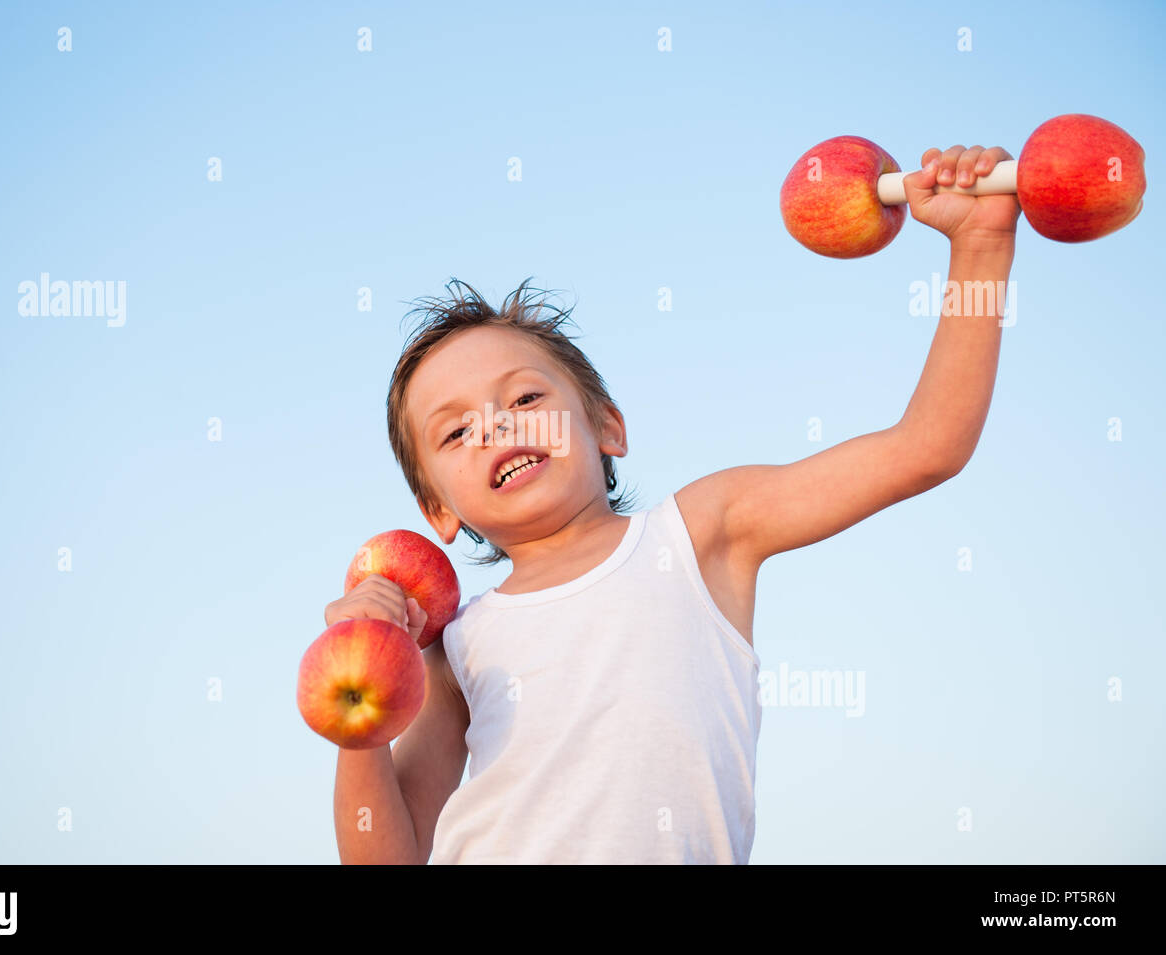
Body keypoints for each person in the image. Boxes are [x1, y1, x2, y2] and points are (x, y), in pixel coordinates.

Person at [325, 144, 1021, 863]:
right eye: (459, 429)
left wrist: (980, 245)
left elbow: (928, 445)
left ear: (606, 427)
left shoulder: (702, 532)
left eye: (527, 397)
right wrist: (362, 694)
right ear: (437, 508)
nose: (499, 425)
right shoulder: (455, 648)